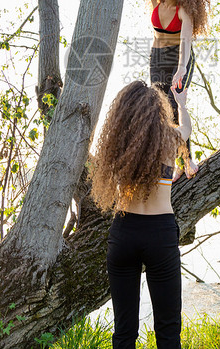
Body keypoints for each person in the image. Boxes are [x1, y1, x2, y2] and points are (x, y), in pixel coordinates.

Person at [89, 80, 198, 349]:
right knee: (168, 329)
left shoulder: (118, 146)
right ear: (157, 111)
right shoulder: (171, 139)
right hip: (159, 235)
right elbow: (186, 129)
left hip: (124, 234)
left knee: (124, 331)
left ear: (123, 113)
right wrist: (181, 105)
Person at [125, 0, 209, 175]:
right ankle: (170, 162)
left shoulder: (185, 10)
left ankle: (187, 160)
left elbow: (186, 43)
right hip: (158, 59)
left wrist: (181, 68)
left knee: (175, 103)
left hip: (181, 60)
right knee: (161, 109)